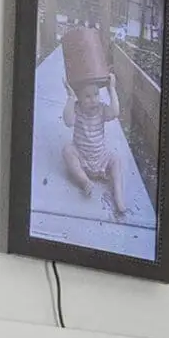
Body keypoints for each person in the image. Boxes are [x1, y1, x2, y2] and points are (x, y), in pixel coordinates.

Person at [60, 26, 128, 216]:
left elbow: (115, 112)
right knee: (67, 150)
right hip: (81, 156)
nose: (93, 99)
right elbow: (68, 121)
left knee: (116, 160)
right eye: (87, 96)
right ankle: (84, 181)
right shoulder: (77, 109)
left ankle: (118, 195)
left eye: (96, 94)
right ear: (80, 98)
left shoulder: (101, 110)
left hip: (100, 158)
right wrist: (70, 98)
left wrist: (112, 89)